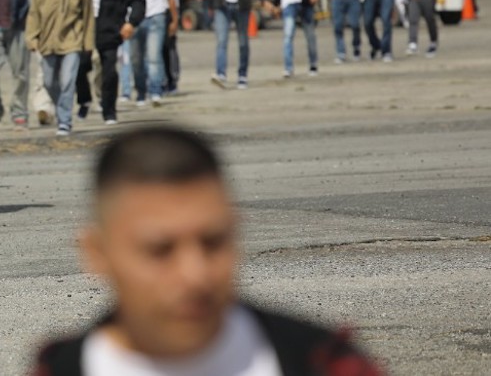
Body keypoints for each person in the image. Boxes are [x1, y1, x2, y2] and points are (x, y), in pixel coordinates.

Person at [30, 126, 382, 376]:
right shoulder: (61, 368)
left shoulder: (323, 361)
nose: (195, 275)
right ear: (96, 253)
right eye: (160, 250)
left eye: (214, 242)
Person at [71, 0, 144, 125]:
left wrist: (131, 23)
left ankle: (109, 110)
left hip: (110, 30)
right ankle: (84, 99)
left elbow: (138, 1)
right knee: (79, 66)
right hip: (83, 28)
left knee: (109, 72)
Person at [25, 0, 94, 136]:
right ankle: (60, 109)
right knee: (48, 82)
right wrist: (31, 37)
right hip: (47, 42)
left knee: (67, 82)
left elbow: (87, 16)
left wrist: (88, 44)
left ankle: (64, 121)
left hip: (72, 41)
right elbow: (34, 13)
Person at [124, 0, 178, 107]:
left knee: (154, 57)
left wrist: (174, 20)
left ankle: (155, 91)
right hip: (134, 20)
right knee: (136, 58)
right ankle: (141, 91)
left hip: (157, 16)